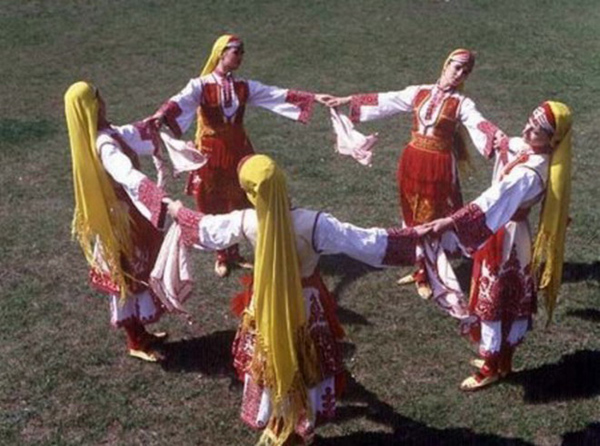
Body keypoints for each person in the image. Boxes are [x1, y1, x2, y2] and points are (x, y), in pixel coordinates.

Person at [167, 154, 421, 445]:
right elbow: (366, 242)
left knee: (270, 361)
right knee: (306, 363)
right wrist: (419, 236)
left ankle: (280, 422)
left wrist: (177, 210)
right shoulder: (315, 224)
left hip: (266, 304)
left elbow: (206, 230)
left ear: (251, 193)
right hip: (306, 305)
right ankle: (296, 423)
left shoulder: (247, 220)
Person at [321, 49, 504, 298]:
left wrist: (498, 137)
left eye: (465, 72)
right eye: (456, 67)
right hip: (412, 161)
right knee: (410, 214)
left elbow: (478, 122)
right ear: (446, 65)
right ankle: (420, 265)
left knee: (431, 218)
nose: (459, 74)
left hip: (438, 166)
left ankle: (426, 272)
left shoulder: (462, 103)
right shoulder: (419, 92)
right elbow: (386, 100)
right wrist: (346, 100)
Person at [422, 101, 572, 390]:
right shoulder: (534, 153)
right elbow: (499, 139)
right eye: (529, 122)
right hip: (511, 232)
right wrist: (469, 116)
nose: (526, 131)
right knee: (504, 297)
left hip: (505, 235)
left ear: (552, 140)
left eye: (536, 130)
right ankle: (502, 362)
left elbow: (495, 199)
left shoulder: (530, 173)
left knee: (495, 298)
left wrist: (451, 221)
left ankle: (491, 367)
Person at [152, 34, 326, 278]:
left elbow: (274, 94)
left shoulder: (243, 86)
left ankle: (235, 253)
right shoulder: (201, 85)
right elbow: (180, 101)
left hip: (239, 149)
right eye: (236, 52)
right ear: (221, 53)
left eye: (242, 52)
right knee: (214, 201)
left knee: (240, 198)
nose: (241, 57)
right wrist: (161, 115)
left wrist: (314, 97)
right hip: (212, 152)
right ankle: (222, 255)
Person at [65, 81, 171, 362]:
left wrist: (155, 122)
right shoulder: (103, 144)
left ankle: (140, 334)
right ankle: (135, 340)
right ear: (94, 106)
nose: (104, 101)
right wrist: (152, 194)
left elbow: (131, 132)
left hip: (126, 214)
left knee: (134, 274)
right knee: (129, 276)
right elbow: (125, 173)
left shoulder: (103, 135)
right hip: (123, 221)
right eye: (98, 98)